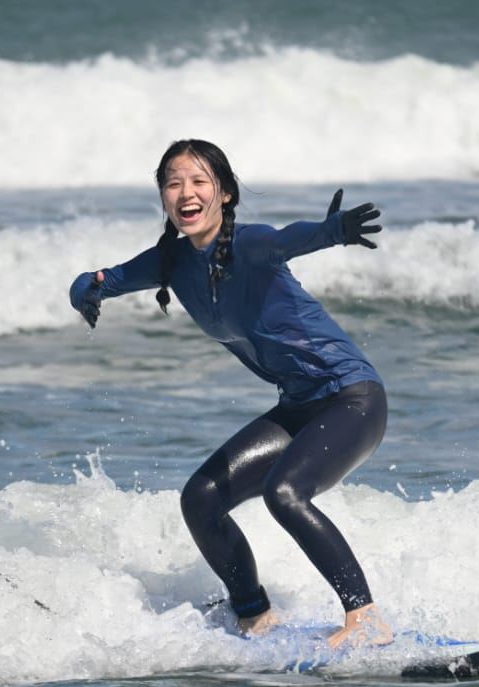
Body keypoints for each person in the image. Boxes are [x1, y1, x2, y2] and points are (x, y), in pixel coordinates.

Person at [68, 139, 390, 649]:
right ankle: (254, 615)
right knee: (202, 498)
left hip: (352, 399)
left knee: (284, 494)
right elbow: (106, 279)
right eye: (173, 183)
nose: (185, 193)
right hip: (299, 407)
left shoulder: (250, 245)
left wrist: (334, 231)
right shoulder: (172, 262)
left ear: (226, 195)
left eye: (199, 181)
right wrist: (84, 288)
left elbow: (290, 239)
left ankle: (366, 617)